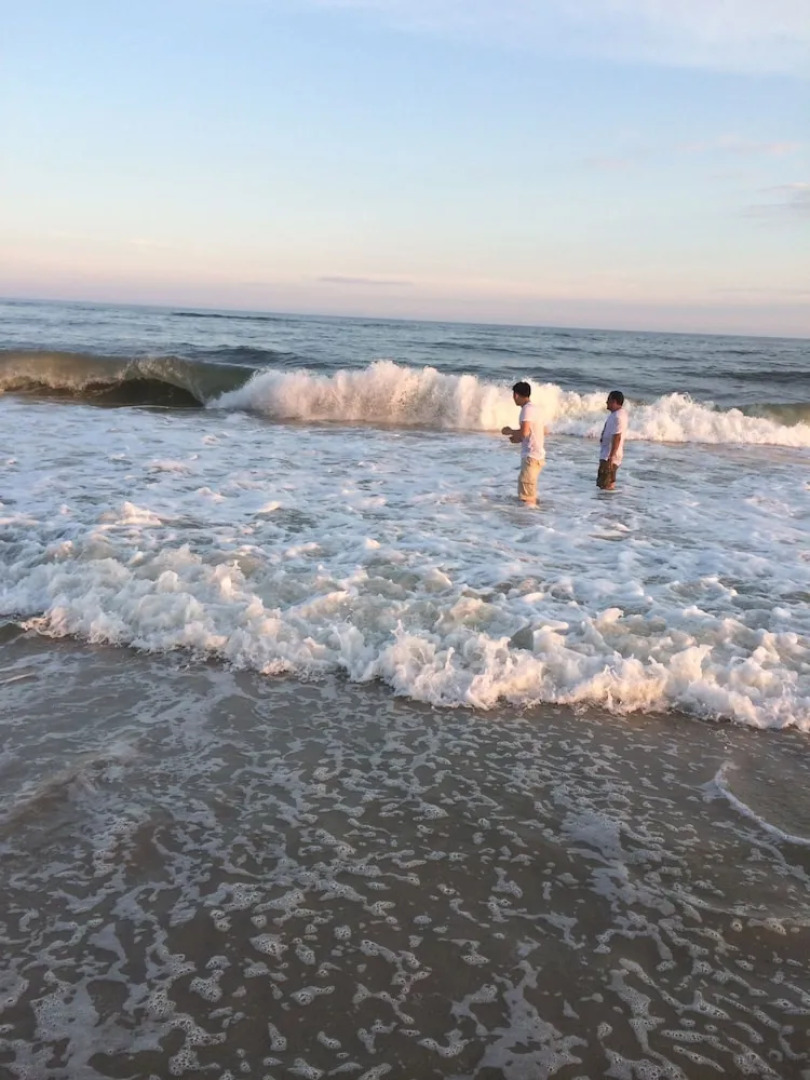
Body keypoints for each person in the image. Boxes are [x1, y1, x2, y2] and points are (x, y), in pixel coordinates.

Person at [501, 381, 546, 506]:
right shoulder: (534, 409)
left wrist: (510, 431)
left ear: (516, 395)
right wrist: (517, 438)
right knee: (529, 493)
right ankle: (532, 520)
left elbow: (524, 432)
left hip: (531, 457)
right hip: (537, 456)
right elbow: (536, 432)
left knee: (526, 497)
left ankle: (529, 522)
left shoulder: (526, 410)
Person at [597, 390, 628, 490]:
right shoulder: (616, 414)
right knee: (607, 483)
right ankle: (608, 504)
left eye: (608, 400)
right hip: (607, 454)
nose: (606, 402)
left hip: (609, 456)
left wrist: (611, 456)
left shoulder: (618, 416)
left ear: (614, 401)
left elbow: (617, 437)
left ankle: (605, 504)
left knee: (605, 484)